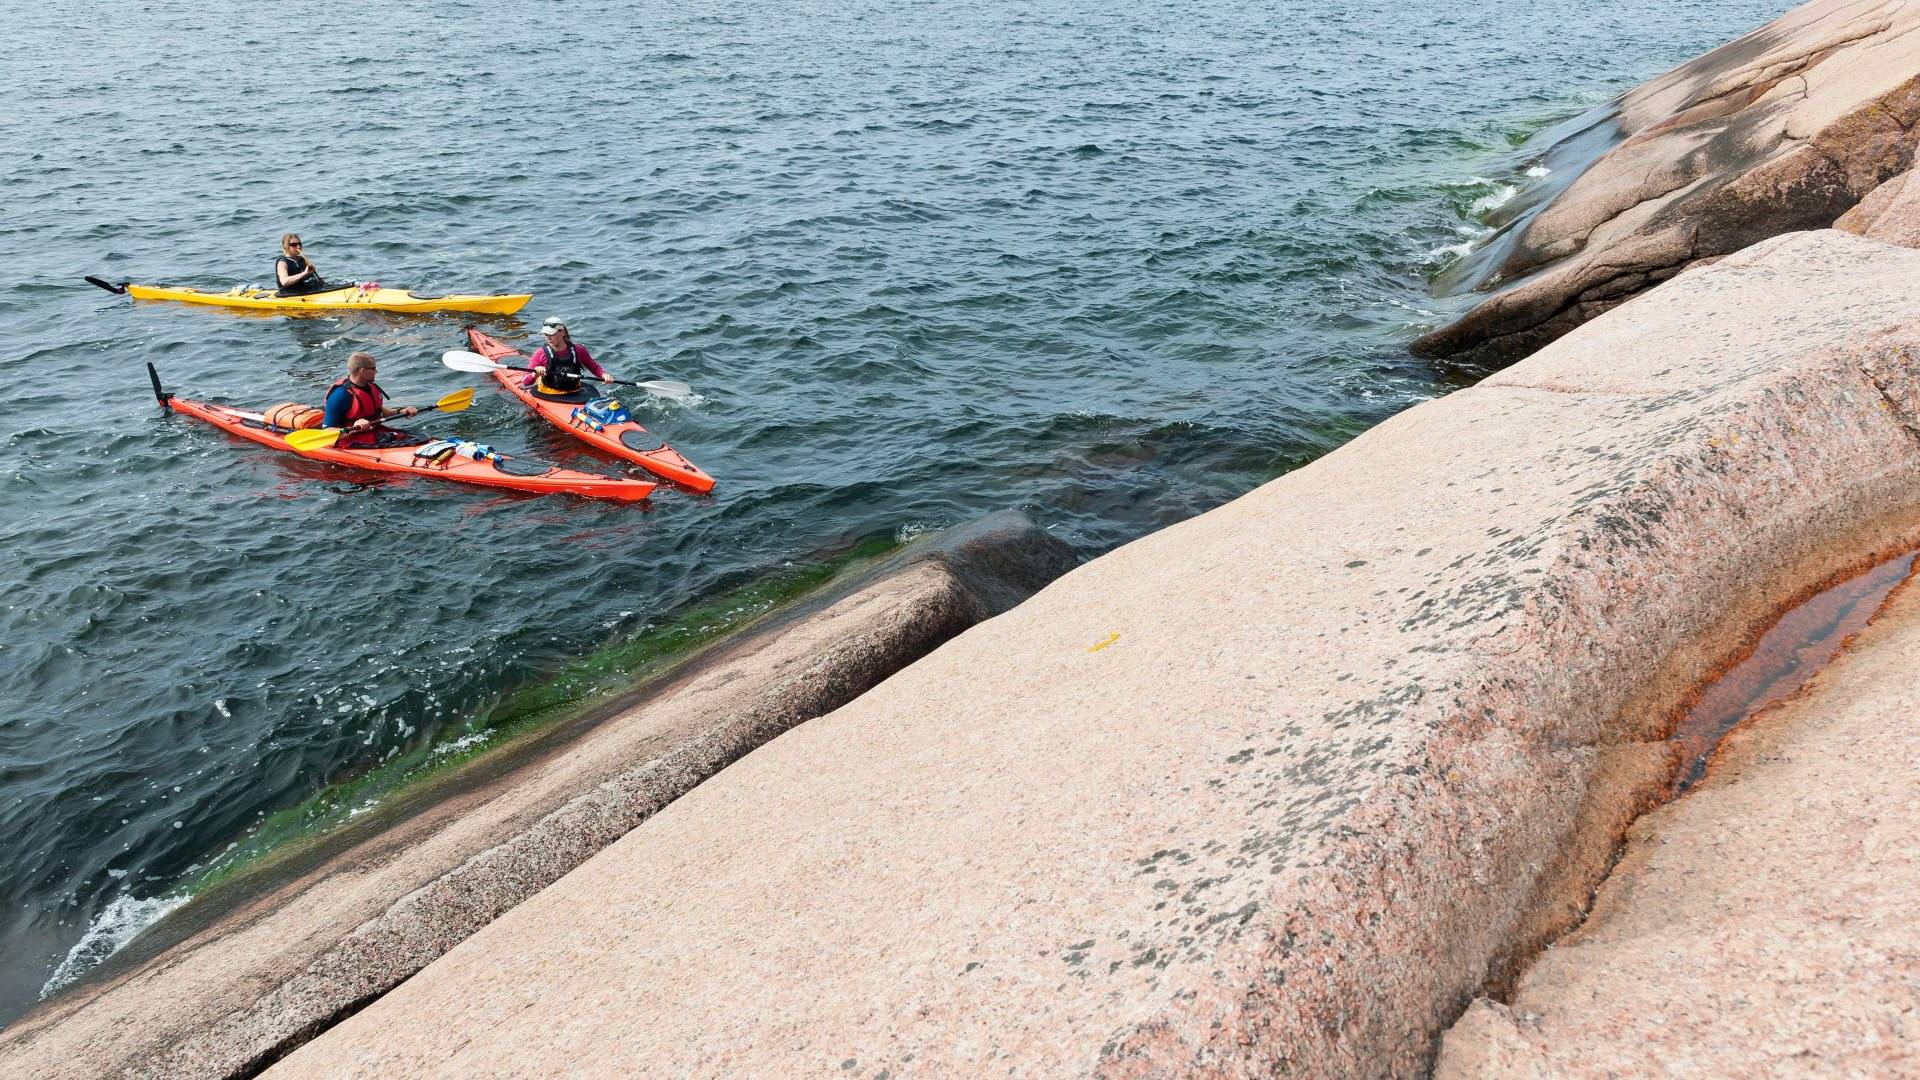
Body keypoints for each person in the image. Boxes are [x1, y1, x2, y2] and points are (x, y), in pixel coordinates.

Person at [322, 352, 418, 447]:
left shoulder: (370, 387)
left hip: (374, 432)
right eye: (373, 369)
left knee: (414, 437)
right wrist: (354, 428)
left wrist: (400, 411)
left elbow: (376, 410)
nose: (376, 371)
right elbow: (326, 432)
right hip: (351, 439)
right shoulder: (340, 395)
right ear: (363, 371)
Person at [524, 316, 609, 396]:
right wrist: (534, 374)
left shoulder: (579, 350)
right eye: (546, 334)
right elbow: (526, 381)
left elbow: (594, 368)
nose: (548, 338)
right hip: (549, 393)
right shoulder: (540, 353)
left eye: (551, 334)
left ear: (562, 332)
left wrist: (604, 375)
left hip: (574, 391)